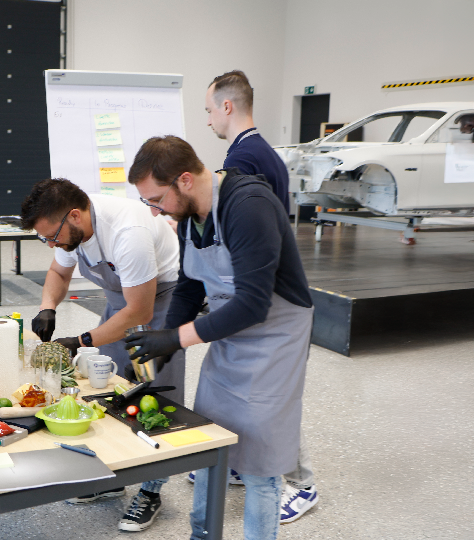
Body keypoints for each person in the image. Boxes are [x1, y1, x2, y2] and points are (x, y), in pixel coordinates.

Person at [125, 135, 313, 540]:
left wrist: (176, 339)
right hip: (230, 333)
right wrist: (161, 339)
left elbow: (253, 305)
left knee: (260, 463)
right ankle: (202, 535)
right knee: (210, 447)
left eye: (156, 199)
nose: (154, 211)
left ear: (186, 180)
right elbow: (191, 285)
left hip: (274, 338)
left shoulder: (249, 207)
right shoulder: (189, 217)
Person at [19, 179, 182, 530]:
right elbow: (58, 271)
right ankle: (114, 477)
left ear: (74, 216)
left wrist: (80, 340)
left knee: (154, 398)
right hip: (121, 301)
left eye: (52, 237)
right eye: (44, 239)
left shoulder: (128, 231)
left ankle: (152, 490)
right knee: (107, 385)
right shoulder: (68, 226)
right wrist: (48, 306)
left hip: (160, 301)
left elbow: (140, 312)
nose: (51, 244)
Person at [206, 70, 319, 523]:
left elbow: (248, 240)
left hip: (272, 305)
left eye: (210, 109)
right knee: (255, 400)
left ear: (227, 107)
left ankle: (302, 482)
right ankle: (245, 464)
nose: (209, 119)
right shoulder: (261, 152)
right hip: (266, 294)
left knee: (273, 403)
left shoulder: (245, 160)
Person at [205, 70, 290, 212]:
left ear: (227, 107)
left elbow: (238, 221)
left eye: (209, 111)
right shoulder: (269, 153)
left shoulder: (240, 160)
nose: (208, 122)